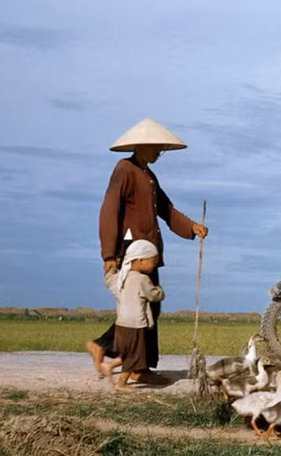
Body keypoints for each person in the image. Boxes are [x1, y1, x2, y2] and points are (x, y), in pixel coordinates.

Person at [86, 118, 208, 382]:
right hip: (134, 252)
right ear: (141, 146)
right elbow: (109, 211)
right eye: (156, 148)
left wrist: (191, 227)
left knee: (147, 306)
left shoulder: (148, 175)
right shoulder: (124, 169)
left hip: (147, 251)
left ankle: (119, 355)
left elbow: (166, 209)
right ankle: (135, 366)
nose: (158, 153)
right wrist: (109, 254)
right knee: (144, 306)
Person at [100, 240, 165, 390]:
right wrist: (159, 289)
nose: (154, 265)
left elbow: (108, 281)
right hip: (136, 324)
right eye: (153, 261)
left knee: (127, 353)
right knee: (135, 356)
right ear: (141, 260)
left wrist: (112, 268)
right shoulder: (142, 280)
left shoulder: (120, 278)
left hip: (121, 324)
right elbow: (153, 296)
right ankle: (121, 383)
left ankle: (110, 366)